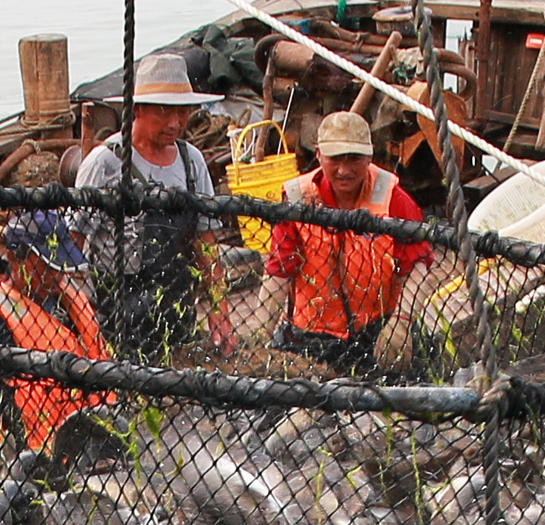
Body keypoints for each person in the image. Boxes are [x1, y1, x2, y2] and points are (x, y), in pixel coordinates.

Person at [76, 52, 228, 352]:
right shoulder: (105, 163)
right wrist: (81, 321)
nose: (175, 122)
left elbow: (205, 241)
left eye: (182, 112)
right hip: (114, 315)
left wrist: (219, 309)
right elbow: (73, 242)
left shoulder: (191, 161)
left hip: (176, 311)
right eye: (163, 111)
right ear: (138, 110)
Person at [263, 110, 433, 372]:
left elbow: (418, 265)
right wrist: (261, 332)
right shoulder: (298, 198)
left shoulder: (393, 198)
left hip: (377, 327)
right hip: (312, 333)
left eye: (354, 159)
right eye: (334, 159)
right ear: (319, 155)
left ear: (370, 156)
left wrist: (401, 323)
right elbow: (279, 270)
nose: (344, 170)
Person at [0, 210, 109, 448]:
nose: (57, 275)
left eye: (60, 265)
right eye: (47, 267)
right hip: (33, 452)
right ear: (14, 257)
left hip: (93, 436)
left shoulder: (67, 300)